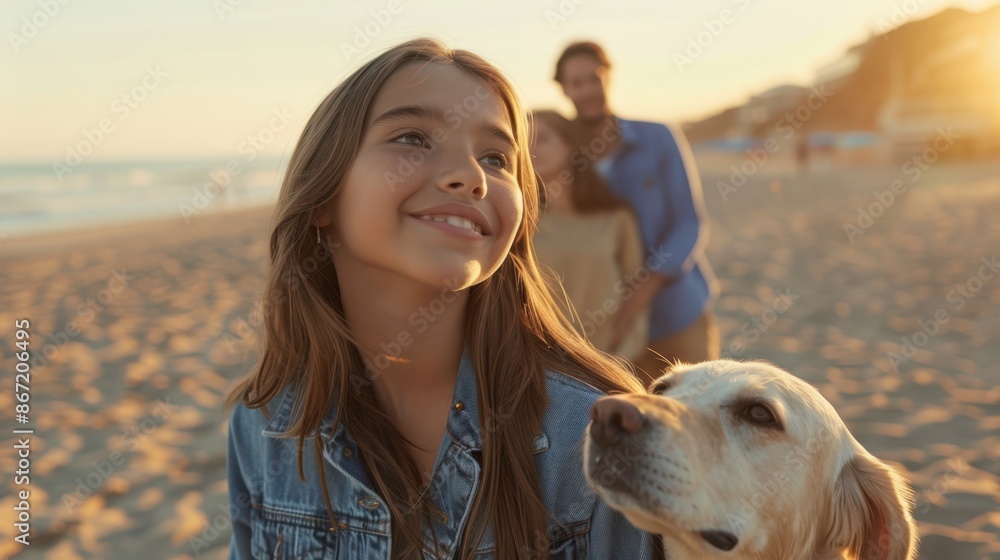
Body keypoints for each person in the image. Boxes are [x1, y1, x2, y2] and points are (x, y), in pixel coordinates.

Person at [225, 38, 663, 559]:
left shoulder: (588, 438)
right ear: (323, 195)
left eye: (496, 157)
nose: (472, 176)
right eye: (412, 137)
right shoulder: (266, 423)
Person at [553, 41, 720, 383]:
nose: (587, 90)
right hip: (605, 332)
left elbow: (689, 221)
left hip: (675, 311)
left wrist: (645, 287)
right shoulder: (562, 153)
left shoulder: (657, 138)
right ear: (564, 89)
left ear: (608, 77)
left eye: (594, 78)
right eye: (576, 82)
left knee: (697, 417)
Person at [529, 109, 649, 363]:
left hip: (606, 360)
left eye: (543, 138)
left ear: (570, 144)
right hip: (540, 361)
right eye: (524, 141)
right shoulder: (522, 219)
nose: (532, 148)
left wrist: (620, 360)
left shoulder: (616, 217)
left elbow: (635, 291)